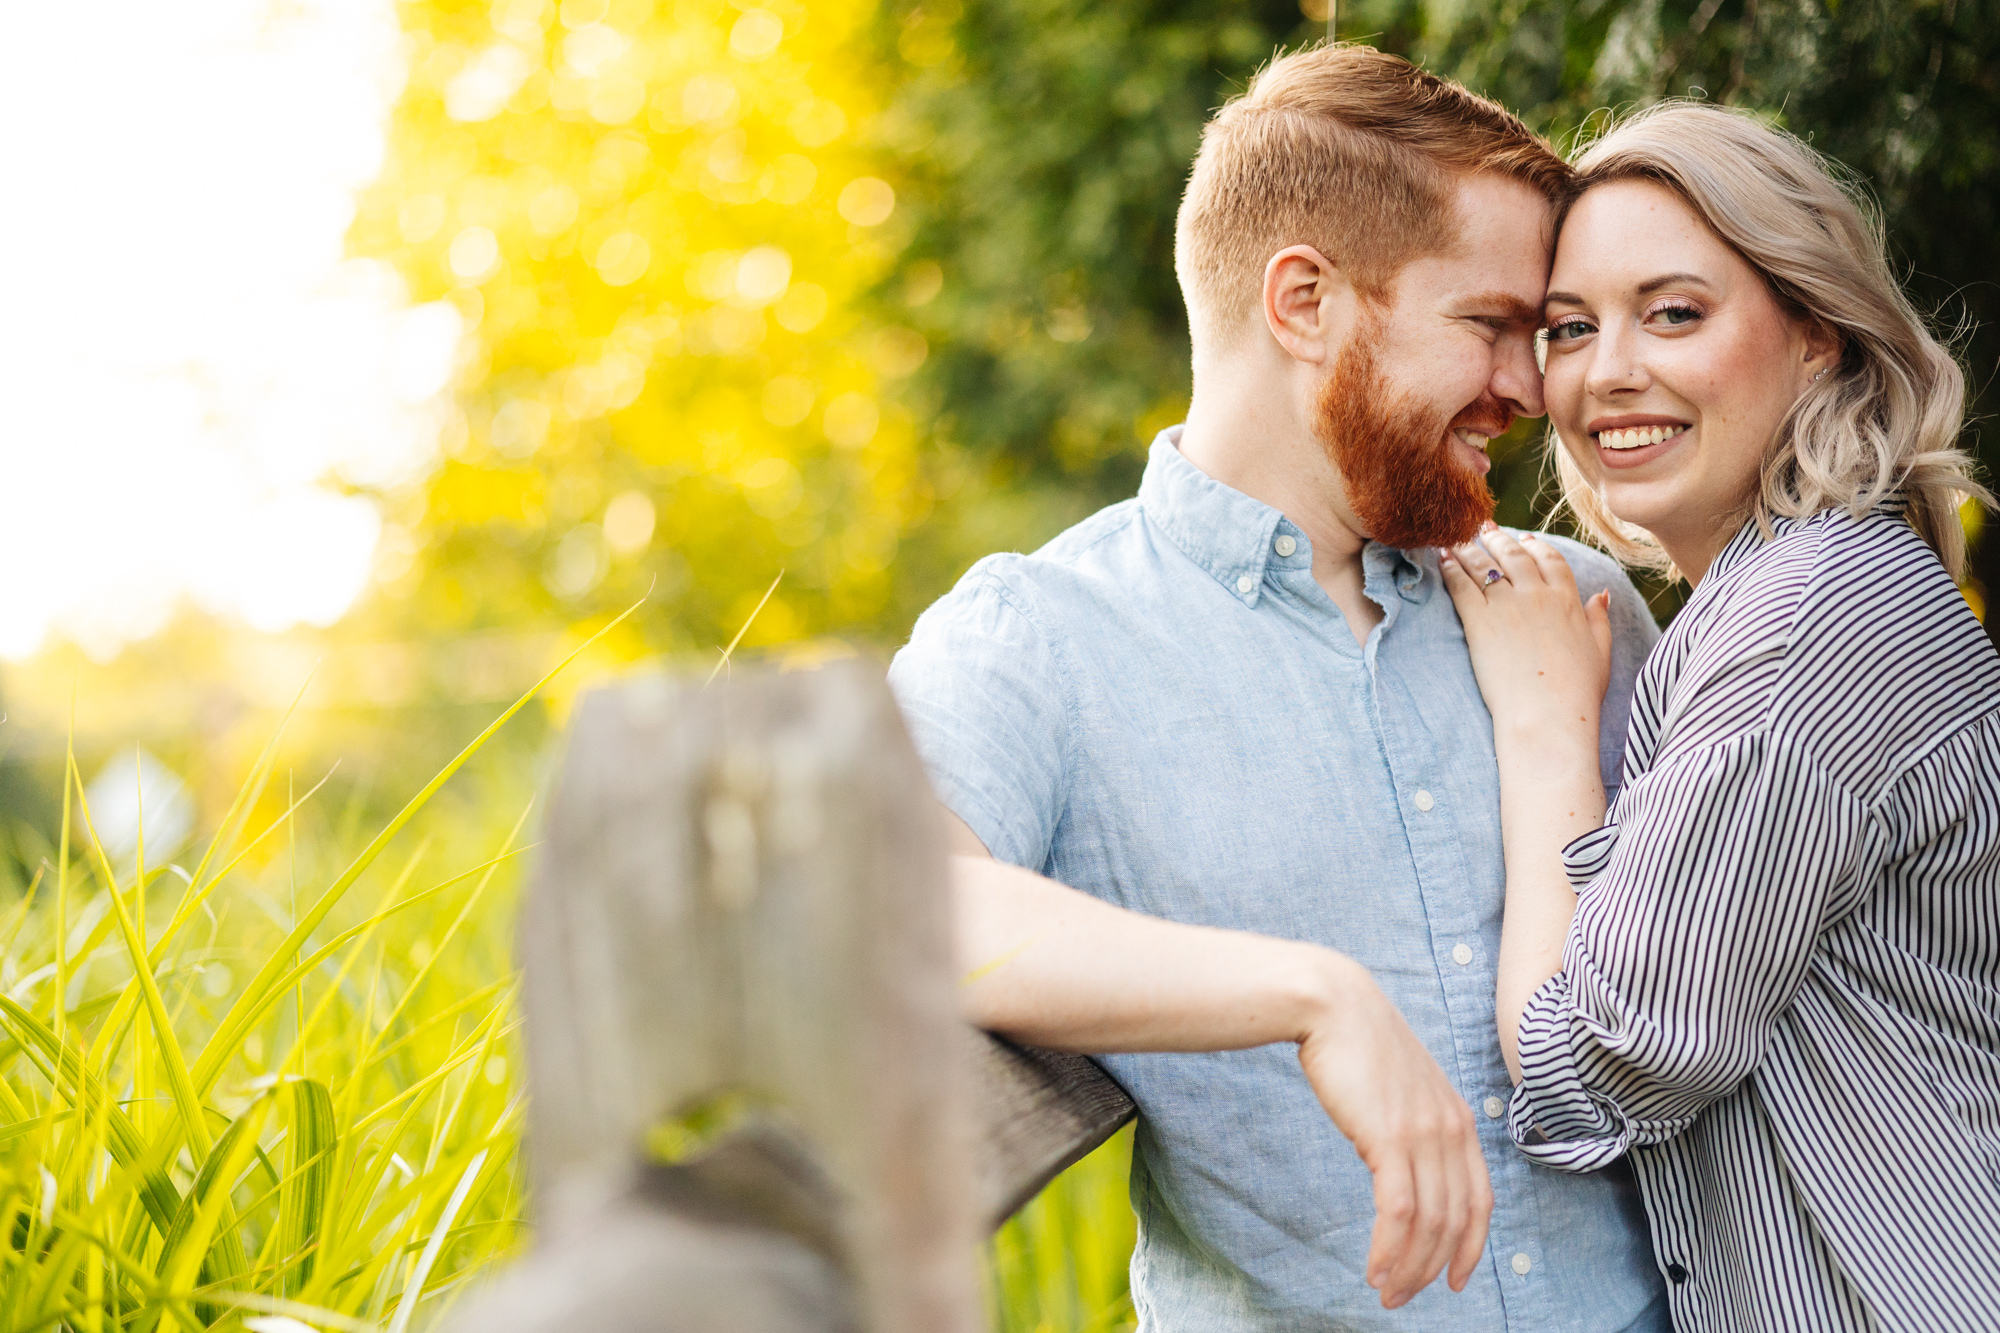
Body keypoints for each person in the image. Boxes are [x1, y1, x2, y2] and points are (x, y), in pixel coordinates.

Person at [889, 44, 1668, 1330]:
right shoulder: (1042, 634)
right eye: (1486, 325)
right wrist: (1313, 994)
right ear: (1301, 301)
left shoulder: (1571, 607)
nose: (1530, 389)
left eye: (1534, 335)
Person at [1439, 102, 2000, 1332]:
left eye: (1674, 312)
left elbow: (1590, 1068)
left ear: (1813, 335)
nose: (1608, 371)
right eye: (1569, 328)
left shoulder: (1804, 623)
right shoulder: (1787, 591)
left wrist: (1542, 735)